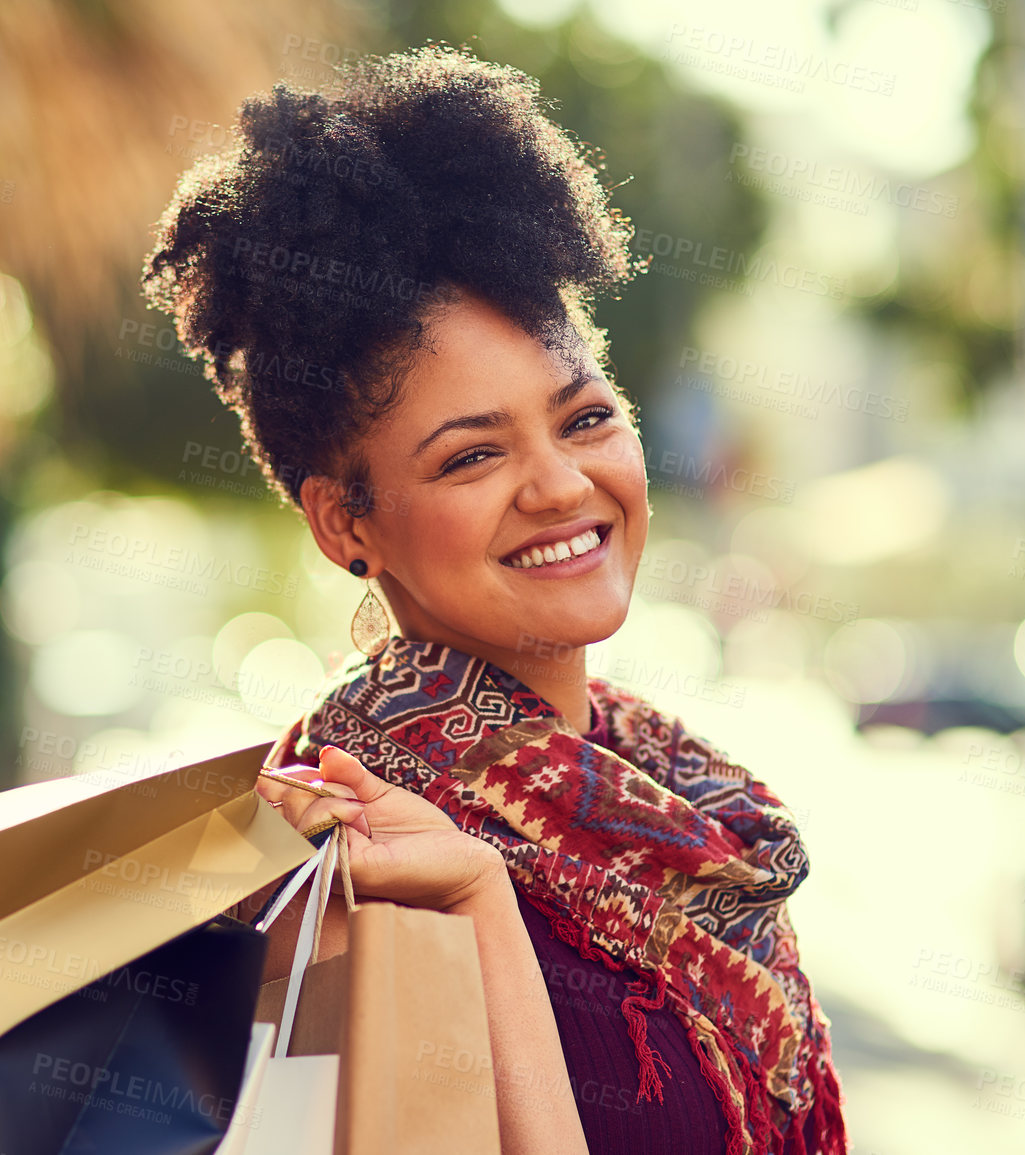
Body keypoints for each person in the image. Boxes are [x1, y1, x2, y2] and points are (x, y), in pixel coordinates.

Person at [141, 44, 846, 1155]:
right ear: (345, 524)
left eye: (584, 419)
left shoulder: (675, 796)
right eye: (471, 458)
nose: (564, 485)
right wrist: (481, 909)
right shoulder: (352, 865)